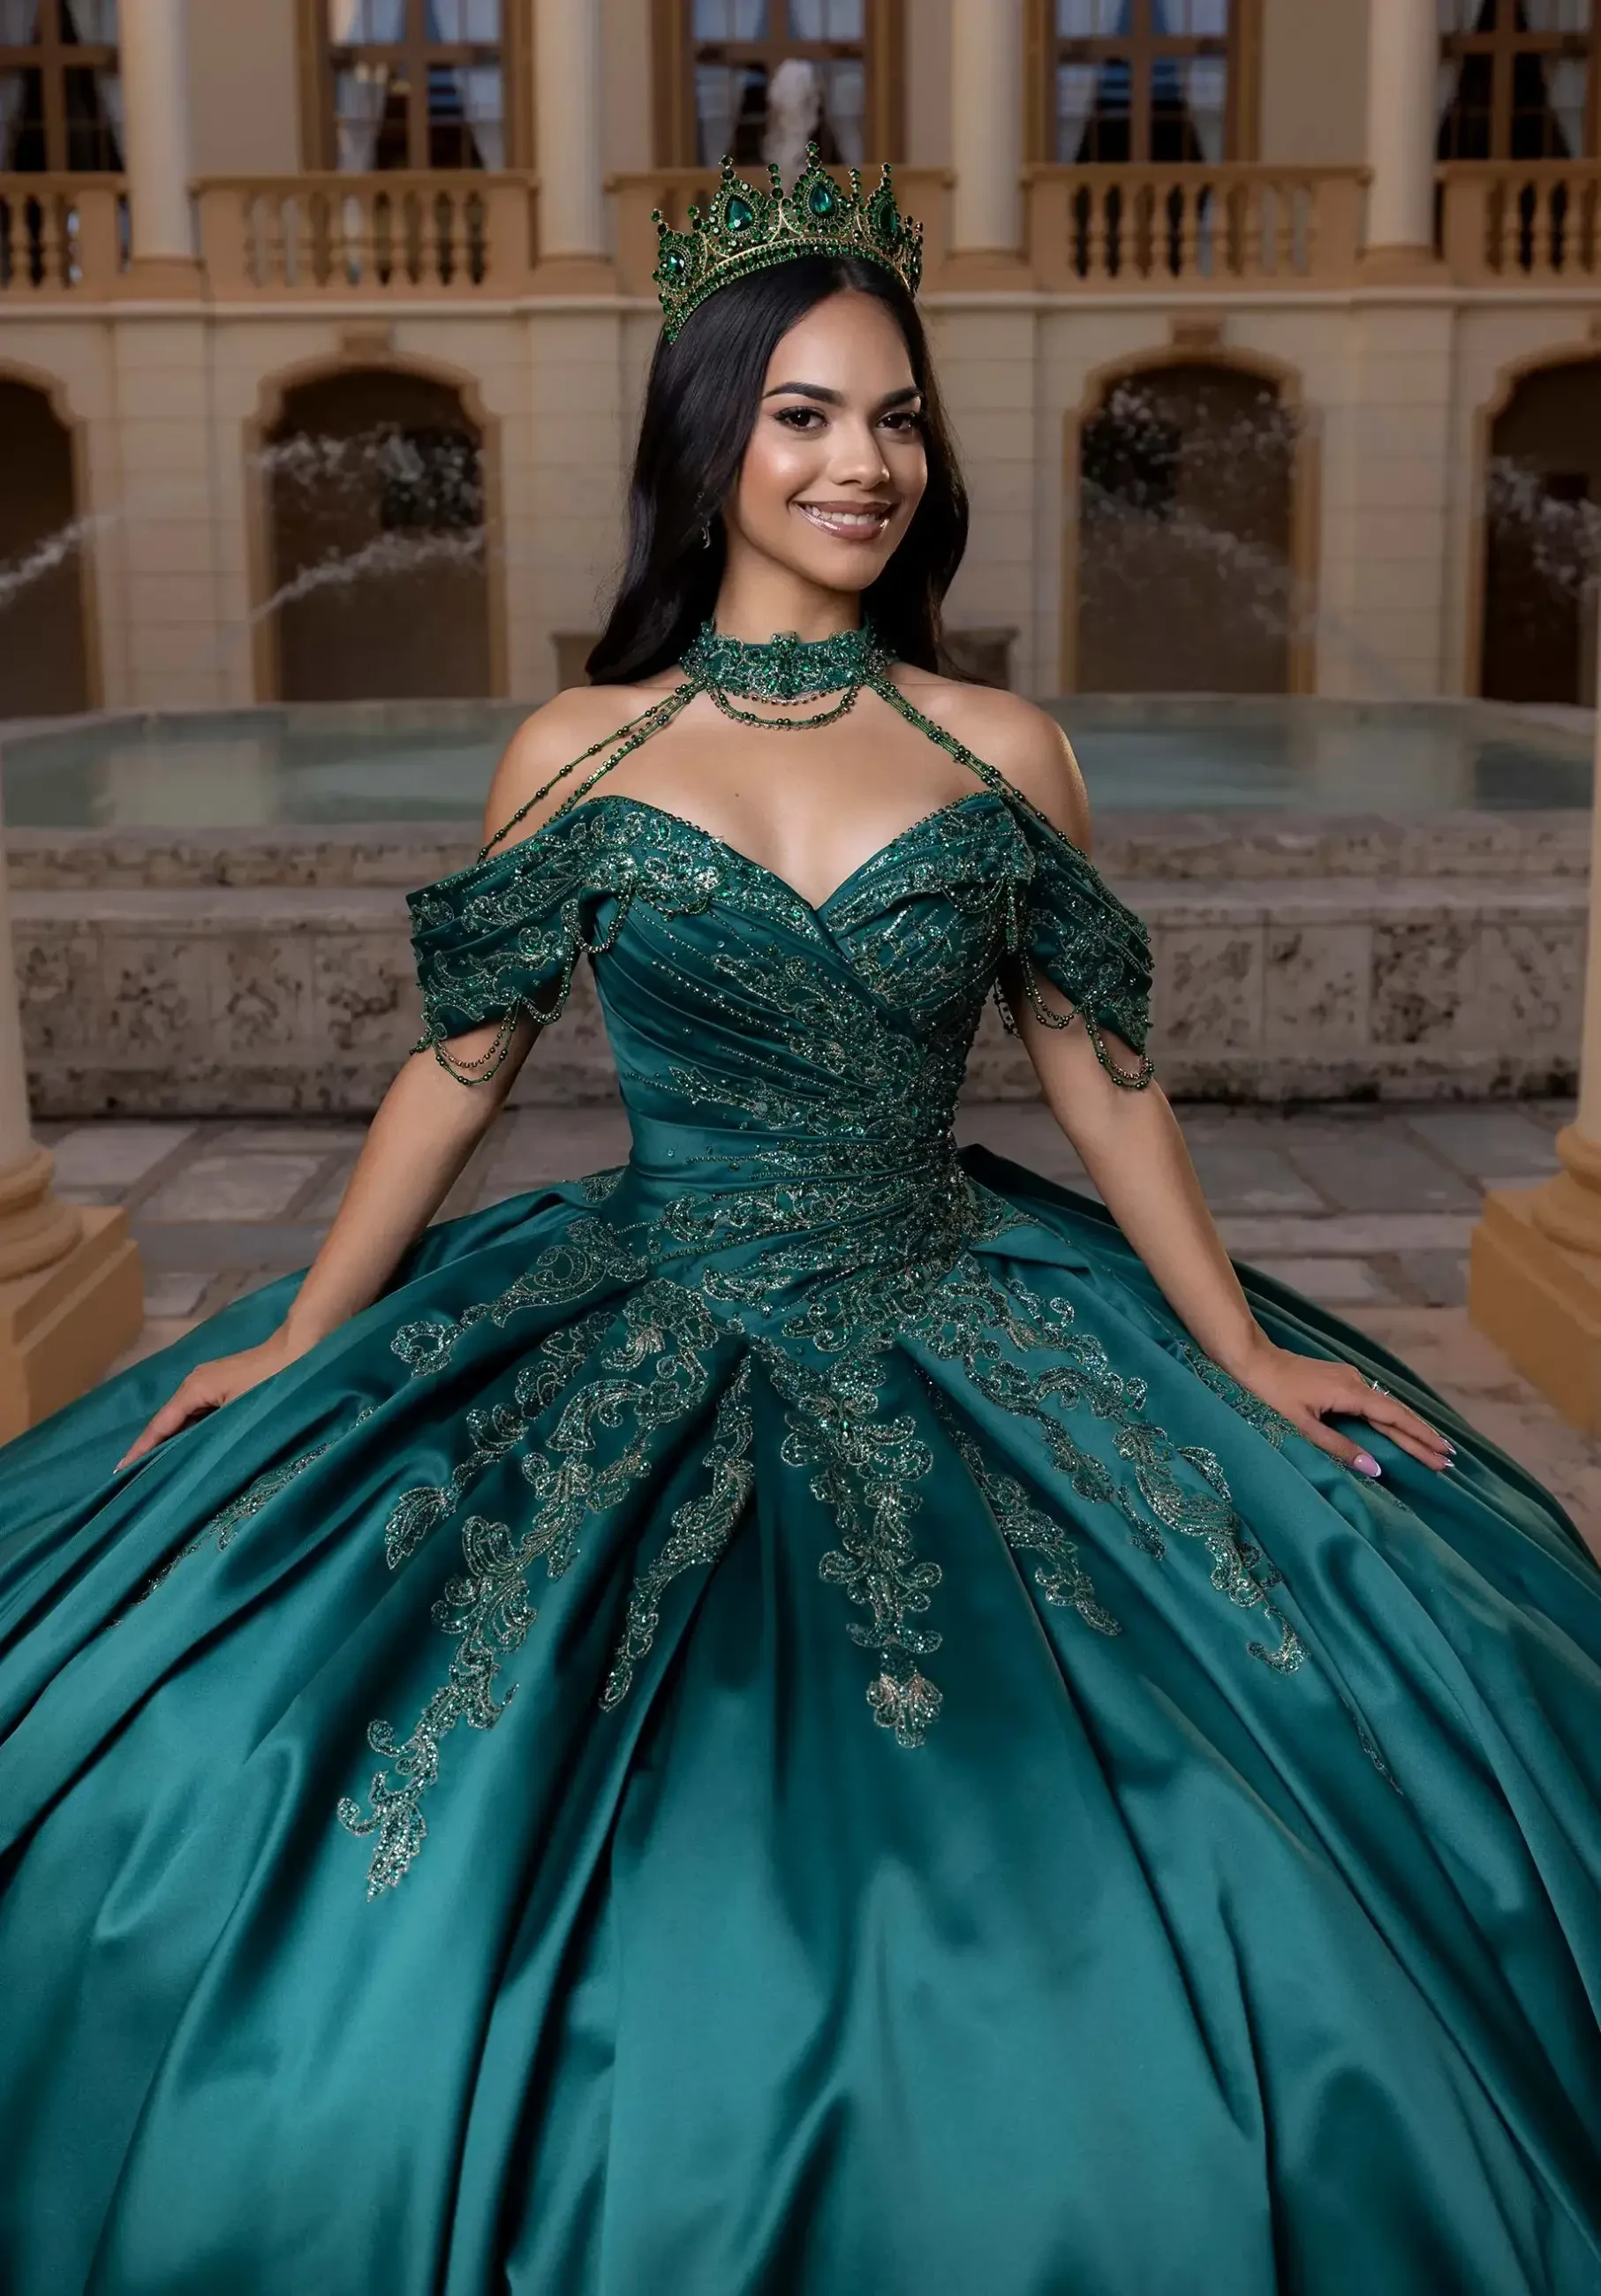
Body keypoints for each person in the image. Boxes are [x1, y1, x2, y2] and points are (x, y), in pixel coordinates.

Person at [1, 151, 1598, 2295]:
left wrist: (1237, 1345)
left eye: (898, 418)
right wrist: (298, 1343)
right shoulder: (576, 749)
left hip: (961, 1287)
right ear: (709, 440)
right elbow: (462, 1068)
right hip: (645, 1287)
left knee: (1311, 1744)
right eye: (808, 414)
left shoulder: (1003, 743)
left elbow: (1096, 1065)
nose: (865, 463)